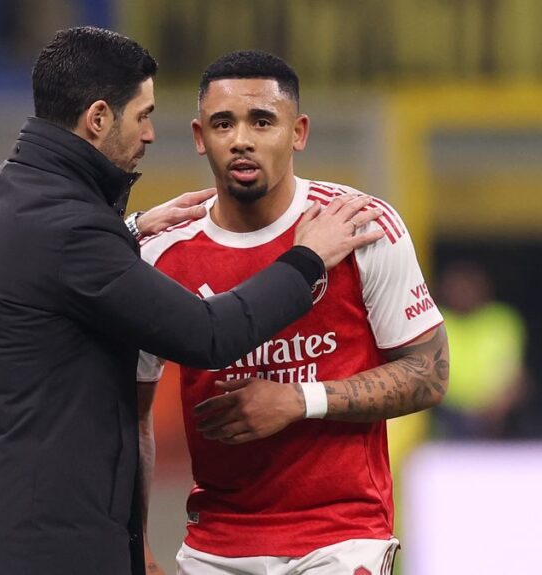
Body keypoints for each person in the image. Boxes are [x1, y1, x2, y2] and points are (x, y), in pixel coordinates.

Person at [0, 27, 383, 575]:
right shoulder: (73, 231)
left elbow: (49, 276)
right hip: (52, 540)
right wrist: (306, 261)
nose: (149, 134)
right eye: (143, 115)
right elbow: (207, 334)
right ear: (99, 118)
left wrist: (125, 231)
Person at [137, 51, 449, 575]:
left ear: (298, 131)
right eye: (223, 123)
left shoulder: (360, 226)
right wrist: (136, 548)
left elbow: (430, 375)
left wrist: (298, 399)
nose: (242, 138)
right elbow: (131, 416)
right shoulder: (162, 256)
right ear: (198, 136)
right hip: (215, 543)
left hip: (341, 538)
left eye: (262, 121)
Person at [433, 260, 526, 439]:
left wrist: (495, 407)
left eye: (469, 284)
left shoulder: (502, 320)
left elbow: (516, 376)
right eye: (457, 285)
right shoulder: (433, 320)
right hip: (446, 417)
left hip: (496, 418)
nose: (463, 291)